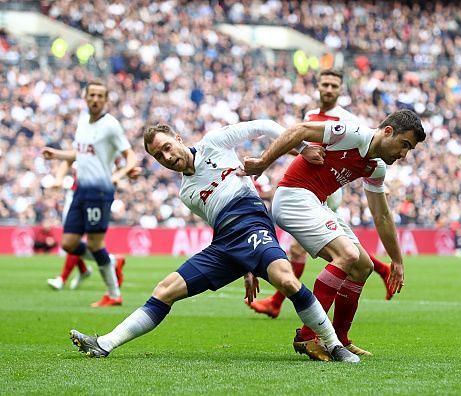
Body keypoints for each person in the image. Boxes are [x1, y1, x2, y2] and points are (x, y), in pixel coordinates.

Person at [69, 120, 359, 363]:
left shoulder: (215, 142)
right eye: (159, 156)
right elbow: (218, 222)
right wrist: (247, 267)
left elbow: (267, 126)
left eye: (167, 147)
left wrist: (302, 149)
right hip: (225, 243)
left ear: (178, 138)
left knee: (286, 280)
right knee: (165, 289)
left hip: (252, 222)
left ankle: (334, 345)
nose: (167, 157)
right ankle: (104, 343)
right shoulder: (187, 192)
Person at [241, 109, 426, 359]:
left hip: (317, 202)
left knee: (363, 266)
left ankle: (339, 338)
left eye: (409, 150)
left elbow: (381, 215)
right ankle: (307, 335)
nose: (404, 154)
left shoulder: (376, 168)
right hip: (293, 195)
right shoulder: (354, 133)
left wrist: (397, 260)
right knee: (347, 254)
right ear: (388, 131)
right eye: (404, 145)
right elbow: (299, 130)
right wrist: (263, 163)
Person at [246, 70, 394, 321]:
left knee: (307, 249)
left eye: (333, 85)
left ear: (340, 90)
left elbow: (356, 156)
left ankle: (280, 304)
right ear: (317, 86)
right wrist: (302, 150)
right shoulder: (310, 115)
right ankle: (380, 269)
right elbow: (305, 147)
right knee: (320, 248)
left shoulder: (347, 119)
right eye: (324, 84)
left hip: (325, 191)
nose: (328, 89)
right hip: (306, 187)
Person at [41, 80, 137, 306]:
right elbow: (79, 153)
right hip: (80, 190)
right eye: (91, 95)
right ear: (85, 97)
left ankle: (113, 295)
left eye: (99, 96)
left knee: (95, 244)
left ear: (105, 100)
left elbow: (130, 156)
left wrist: (119, 174)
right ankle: (112, 261)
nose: (95, 99)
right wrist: (56, 155)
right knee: (68, 243)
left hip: (100, 191)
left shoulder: (111, 125)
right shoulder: (82, 121)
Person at [46, 159, 135, 291]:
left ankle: (64, 278)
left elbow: (121, 160)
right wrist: (59, 176)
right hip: (75, 195)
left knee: (81, 241)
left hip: (93, 195)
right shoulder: (82, 143)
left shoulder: (103, 145)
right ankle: (103, 264)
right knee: (70, 241)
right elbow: (70, 157)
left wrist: (120, 174)